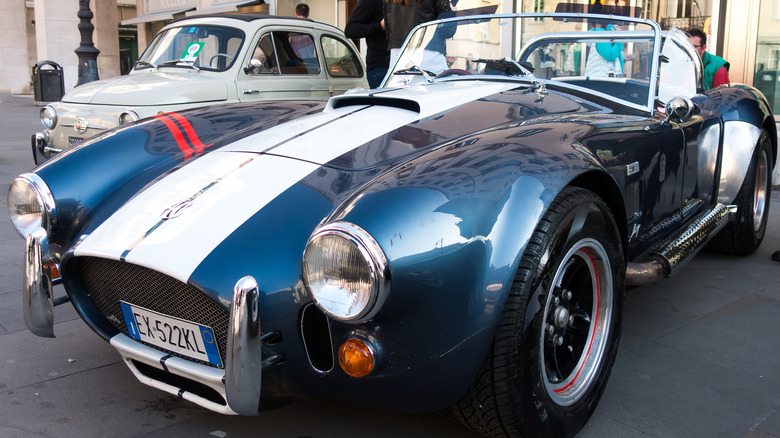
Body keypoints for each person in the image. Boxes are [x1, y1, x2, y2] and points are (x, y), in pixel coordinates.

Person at [384, 0, 453, 62]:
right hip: (428, 53)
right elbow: (448, 31)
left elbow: (388, 30)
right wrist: (452, 12)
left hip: (398, 56)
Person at [345, 0, 390, 88]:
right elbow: (350, 30)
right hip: (381, 66)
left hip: (406, 64)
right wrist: (379, 26)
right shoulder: (370, 2)